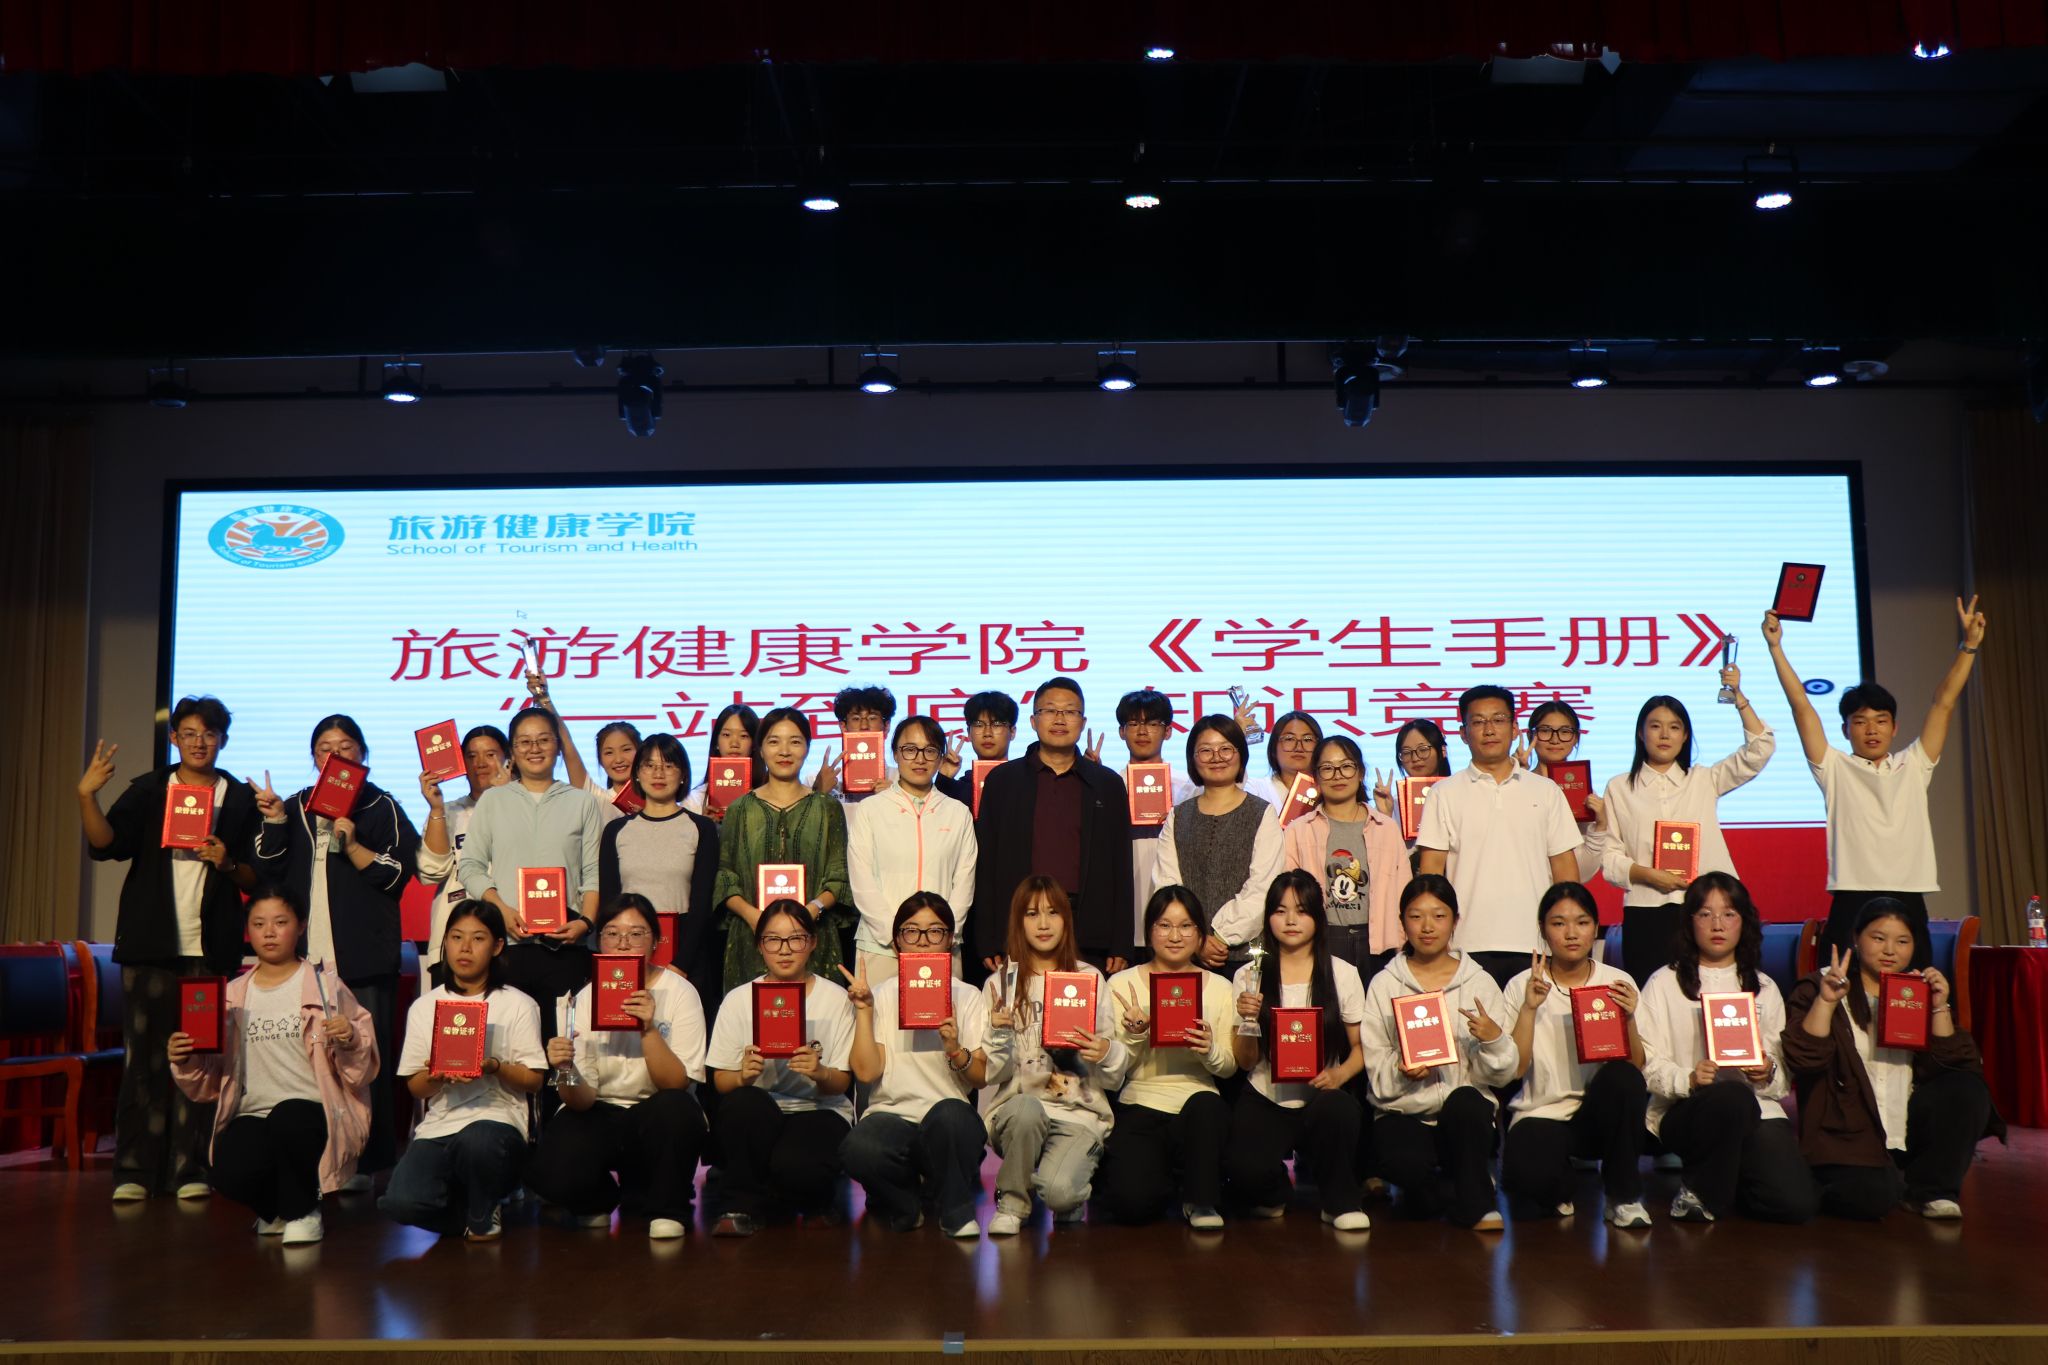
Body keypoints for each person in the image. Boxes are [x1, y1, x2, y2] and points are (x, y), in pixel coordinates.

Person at [79, 696, 261, 1203]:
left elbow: (256, 876)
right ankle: (134, 1170)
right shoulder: (150, 789)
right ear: (174, 738)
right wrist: (87, 796)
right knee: (144, 1060)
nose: (200, 742)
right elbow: (106, 844)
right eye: (190, 733)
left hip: (209, 949)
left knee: (201, 1058)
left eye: (210, 733)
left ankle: (190, 1168)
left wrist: (226, 863)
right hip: (149, 947)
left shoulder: (238, 799)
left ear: (223, 740)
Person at [1763, 598, 1986, 959]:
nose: (1871, 730)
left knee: (1913, 988)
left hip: (1908, 893)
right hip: (1852, 894)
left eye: (1881, 721)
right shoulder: (1833, 767)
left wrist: (1969, 646)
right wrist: (1776, 648)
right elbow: (1801, 705)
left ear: (1894, 728)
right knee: (1837, 983)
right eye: (1860, 721)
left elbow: (1943, 702)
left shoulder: (1914, 764)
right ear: (1845, 729)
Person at [251, 714, 419, 1181]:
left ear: (362, 754)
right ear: (313, 757)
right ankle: (316, 1159)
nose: (335, 755)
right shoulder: (294, 806)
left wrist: (354, 841)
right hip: (306, 959)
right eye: (325, 747)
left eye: (346, 747)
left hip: (364, 958)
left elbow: (397, 876)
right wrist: (276, 821)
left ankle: (372, 1161)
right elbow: (266, 868)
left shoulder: (381, 805)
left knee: (366, 1059)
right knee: (308, 1060)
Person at [168, 888, 377, 1246]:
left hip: (313, 1109)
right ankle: (278, 1209)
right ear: (247, 930)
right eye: (258, 923)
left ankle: (304, 1211)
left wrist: (350, 1037)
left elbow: (362, 1069)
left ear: (300, 926)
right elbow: (207, 1083)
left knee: (289, 1118)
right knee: (228, 1170)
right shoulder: (231, 995)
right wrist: (185, 1058)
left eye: (280, 922)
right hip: (252, 1112)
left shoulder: (326, 988)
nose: (269, 932)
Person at [1783, 899, 2002, 1220]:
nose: (1889, 950)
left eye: (1902, 941)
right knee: (1874, 1197)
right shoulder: (1821, 985)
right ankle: (1830, 1181)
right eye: (1878, 938)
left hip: (1905, 1127)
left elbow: (1956, 1064)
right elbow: (1804, 1059)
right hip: (1847, 1133)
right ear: (1856, 938)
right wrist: (1826, 1002)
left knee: (1967, 1087)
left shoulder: (1916, 990)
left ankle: (1933, 1189)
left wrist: (1938, 1006)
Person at [1637, 872, 1816, 1224]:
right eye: (1705, 914)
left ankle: (1730, 1179)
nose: (1717, 924)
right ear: (1690, 922)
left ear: (1744, 922)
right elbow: (1647, 1063)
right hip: (1686, 1110)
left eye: (1729, 914)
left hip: (1757, 1109)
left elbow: (1782, 1071)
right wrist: (1688, 1078)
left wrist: (1768, 1071)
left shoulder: (1764, 987)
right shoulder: (1663, 982)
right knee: (1731, 1097)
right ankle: (1697, 1192)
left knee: (1796, 1205)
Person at [530, 894, 709, 1239]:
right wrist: (566, 1068)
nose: (623, 943)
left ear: (656, 942)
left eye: (636, 934)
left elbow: (676, 1084)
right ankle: (597, 1199)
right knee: (550, 1172)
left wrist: (648, 1029)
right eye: (612, 933)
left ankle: (668, 1208)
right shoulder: (583, 998)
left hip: (658, 1111)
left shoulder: (680, 992)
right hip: (601, 1108)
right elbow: (581, 1100)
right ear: (599, 942)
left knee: (677, 1109)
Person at [379, 900, 546, 1240]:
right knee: (400, 1204)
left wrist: (494, 1067)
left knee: (478, 1141)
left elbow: (534, 1081)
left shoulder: (518, 1004)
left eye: (478, 938)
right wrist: (436, 1076)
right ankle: (470, 1209)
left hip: (497, 1121)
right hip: (441, 1125)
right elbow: (415, 1087)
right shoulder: (424, 1007)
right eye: (456, 937)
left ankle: (485, 1209)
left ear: (497, 946)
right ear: (445, 942)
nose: (465, 948)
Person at [1362, 874, 1518, 1230]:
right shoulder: (1385, 983)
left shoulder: (1479, 983)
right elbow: (1375, 1061)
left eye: (1439, 915)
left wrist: (1493, 1040)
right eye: (1416, 916)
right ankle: (1442, 1186)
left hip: (1463, 1118)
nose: (1427, 927)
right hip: (1404, 1112)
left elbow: (1501, 1076)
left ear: (1455, 921)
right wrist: (1400, 1070)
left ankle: (1476, 1204)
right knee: (1406, 1171)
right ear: (1402, 922)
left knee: (1467, 1103)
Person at [979, 877, 1132, 1234]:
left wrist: (1106, 1052)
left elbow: (1112, 1077)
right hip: (1019, 1112)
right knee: (1026, 1109)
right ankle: (1013, 1203)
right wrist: (998, 1035)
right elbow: (993, 1074)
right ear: (1018, 922)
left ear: (1067, 919)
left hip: (1078, 1112)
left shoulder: (1089, 978)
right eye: (1032, 914)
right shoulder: (1000, 984)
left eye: (1053, 912)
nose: (1044, 924)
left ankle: (1063, 1184)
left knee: (1061, 1194)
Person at [1599, 680, 1775, 983]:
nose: (1664, 735)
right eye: (1655, 726)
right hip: (1647, 910)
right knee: (1650, 997)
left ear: (1685, 736)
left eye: (1674, 727)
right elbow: (1610, 859)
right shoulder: (1620, 787)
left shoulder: (1704, 779)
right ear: (1641, 733)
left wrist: (1739, 699)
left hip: (1707, 909)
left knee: (1716, 991)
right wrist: (1649, 875)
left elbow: (1759, 751)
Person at [1224, 871, 1370, 1230]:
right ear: (1268, 918)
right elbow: (1245, 1060)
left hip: (1322, 1094)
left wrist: (1339, 1074)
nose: (1290, 920)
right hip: (1266, 1094)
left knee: (1339, 1110)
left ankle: (1338, 1203)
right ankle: (1276, 1193)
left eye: (1301, 911)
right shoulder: (1249, 975)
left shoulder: (1342, 973)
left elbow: (1361, 1048)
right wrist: (1248, 1019)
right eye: (1280, 910)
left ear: (1318, 917)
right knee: (1243, 1173)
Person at [1500, 882, 1651, 1228]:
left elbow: (1637, 1068)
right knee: (1527, 1184)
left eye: (1582, 922)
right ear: (1542, 930)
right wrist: (1529, 1008)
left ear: (1595, 928)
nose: (1571, 933)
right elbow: (1514, 1069)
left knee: (1624, 1078)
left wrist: (1628, 1018)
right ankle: (1560, 1183)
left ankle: (1623, 1196)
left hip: (1600, 1114)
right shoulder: (1523, 984)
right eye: (1559, 923)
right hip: (1544, 1112)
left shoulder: (1617, 982)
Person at [839, 893, 991, 1237]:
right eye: (911, 931)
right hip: (892, 1117)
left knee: (953, 1117)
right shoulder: (879, 994)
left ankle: (955, 1212)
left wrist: (955, 1049)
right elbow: (866, 1072)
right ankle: (906, 1204)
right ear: (897, 942)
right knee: (857, 1149)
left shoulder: (967, 995)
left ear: (950, 940)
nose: (923, 941)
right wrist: (864, 1011)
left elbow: (980, 1077)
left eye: (935, 931)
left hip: (947, 1119)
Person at [705, 900, 856, 1235]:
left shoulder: (836, 999)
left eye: (796, 938)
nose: (785, 950)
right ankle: (738, 1207)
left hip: (819, 1109)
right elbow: (721, 1082)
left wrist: (820, 1073)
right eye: (773, 939)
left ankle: (807, 1196)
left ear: (813, 942)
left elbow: (842, 1083)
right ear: (759, 945)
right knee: (742, 1104)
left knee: (797, 1168)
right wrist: (742, 1075)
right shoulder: (739, 999)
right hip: (760, 1110)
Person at [1415, 686, 1582, 986]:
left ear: (1515, 728)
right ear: (1463, 733)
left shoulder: (1546, 791)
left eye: (1498, 720)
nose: (1489, 730)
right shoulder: (1443, 793)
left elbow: (1565, 872)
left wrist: (1564, 933)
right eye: (1478, 722)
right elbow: (1431, 874)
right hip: (1464, 945)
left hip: (1535, 943)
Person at [971, 676, 1135, 978]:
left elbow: (1121, 867)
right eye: (1050, 710)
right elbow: (986, 864)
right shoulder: (1003, 781)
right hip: (1018, 926)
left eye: (1070, 711)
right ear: (1033, 721)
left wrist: (1121, 942)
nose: (1060, 719)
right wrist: (987, 939)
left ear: (1083, 722)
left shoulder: (1107, 784)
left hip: (1089, 930)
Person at [1096, 885, 1238, 1228]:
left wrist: (1208, 1049)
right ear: (1149, 932)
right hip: (1139, 1101)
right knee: (1131, 1204)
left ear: (1200, 934)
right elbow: (1113, 1071)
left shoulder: (1220, 987)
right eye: (1164, 925)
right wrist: (1135, 1034)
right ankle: (1168, 1180)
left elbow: (1229, 1067)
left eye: (1186, 926)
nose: (1175, 936)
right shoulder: (1121, 984)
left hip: (1198, 1103)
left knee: (1208, 1106)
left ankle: (1200, 1200)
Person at [457, 705, 604, 1005]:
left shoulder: (582, 802)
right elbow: (470, 866)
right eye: (524, 742)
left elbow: (593, 872)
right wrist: (501, 909)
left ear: (558, 747)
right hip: (508, 944)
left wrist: (586, 923)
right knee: (510, 1033)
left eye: (544, 740)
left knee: (563, 1033)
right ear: (512, 751)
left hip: (567, 946)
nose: (534, 749)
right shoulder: (493, 800)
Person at [712, 708, 852, 992]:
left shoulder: (828, 808)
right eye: (774, 741)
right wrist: (755, 917)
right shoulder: (739, 809)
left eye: (795, 741)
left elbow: (839, 877)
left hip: (813, 937)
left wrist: (810, 912)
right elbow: (725, 877)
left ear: (807, 748)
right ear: (761, 749)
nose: (784, 751)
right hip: (752, 938)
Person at [847, 715, 977, 983]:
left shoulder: (957, 812)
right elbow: (862, 881)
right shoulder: (871, 809)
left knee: (946, 1012)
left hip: (942, 946)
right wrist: (894, 935)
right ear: (895, 753)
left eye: (930, 750)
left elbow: (964, 882)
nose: (920, 759)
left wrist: (943, 933)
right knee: (877, 1011)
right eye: (910, 749)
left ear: (940, 758)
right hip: (881, 947)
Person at [1151, 715, 1284, 977]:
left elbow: (1263, 886)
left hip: (1246, 959)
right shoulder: (1178, 815)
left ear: (1240, 755)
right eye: (1205, 751)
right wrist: (1196, 938)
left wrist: (1221, 935)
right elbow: (1167, 884)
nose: (1216, 758)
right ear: (1192, 758)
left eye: (1226, 749)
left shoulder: (1263, 813)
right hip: (1185, 954)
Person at [597, 733, 721, 1012]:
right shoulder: (616, 830)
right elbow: (609, 904)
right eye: (649, 765)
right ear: (637, 774)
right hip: (628, 952)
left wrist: (680, 965)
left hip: (686, 956)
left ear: (683, 774)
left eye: (668, 765)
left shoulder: (701, 828)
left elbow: (702, 903)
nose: (658, 773)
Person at [1283, 736, 1408, 978]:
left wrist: (1404, 946)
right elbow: (1289, 896)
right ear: (1316, 777)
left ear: (1360, 773)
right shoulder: (1298, 830)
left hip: (1378, 944)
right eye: (1327, 768)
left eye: (1346, 766)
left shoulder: (1386, 827)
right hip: (1323, 940)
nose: (1337, 775)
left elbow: (1403, 891)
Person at [416, 725, 511, 967]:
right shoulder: (449, 811)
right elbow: (431, 872)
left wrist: (505, 799)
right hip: (453, 939)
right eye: (471, 756)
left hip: (509, 936)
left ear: (508, 760)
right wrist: (436, 808)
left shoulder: (524, 808)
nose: (480, 763)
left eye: (490, 754)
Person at [1116, 689, 1200, 946]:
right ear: (1121, 731)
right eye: (1134, 723)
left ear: (1168, 731)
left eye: (1152, 724)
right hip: (1124, 903)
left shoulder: (1187, 788)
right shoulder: (1110, 786)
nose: (1143, 732)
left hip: (1175, 908)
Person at [526, 667, 640, 823]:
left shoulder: (661, 797)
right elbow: (567, 744)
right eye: (608, 752)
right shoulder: (596, 799)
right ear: (600, 760)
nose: (618, 759)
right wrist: (544, 699)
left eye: (626, 749)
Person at [1520, 700, 1608, 885]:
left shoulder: (1585, 795)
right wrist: (1515, 775)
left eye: (1565, 732)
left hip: (1561, 895)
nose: (1555, 739)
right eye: (1545, 730)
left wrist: (1600, 826)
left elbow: (1583, 873)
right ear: (1530, 736)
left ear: (1576, 738)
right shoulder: (1516, 784)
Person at [934, 689, 1017, 808]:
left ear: (1012, 732)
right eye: (979, 725)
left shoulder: (1025, 782)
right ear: (969, 733)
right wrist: (944, 780)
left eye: (996, 724)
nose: (987, 733)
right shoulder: (958, 790)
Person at [813, 685, 898, 800]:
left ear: (886, 727)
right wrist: (819, 793)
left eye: (872, 718)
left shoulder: (900, 780)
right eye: (856, 719)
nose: (864, 726)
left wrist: (896, 796)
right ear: (843, 727)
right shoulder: (818, 780)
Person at [682, 703, 760, 820]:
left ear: (754, 744)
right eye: (726, 735)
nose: (734, 743)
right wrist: (705, 826)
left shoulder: (768, 797)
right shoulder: (694, 800)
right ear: (716, 743)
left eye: (743, 736)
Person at [1371, 719, 1453, 830]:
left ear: (1443, 751)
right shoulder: (1392, 804)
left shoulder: (1458, 794)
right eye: (1406, 753)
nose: (1415, 758)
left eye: (1423, 750)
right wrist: (1385, 816)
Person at [1258, 710, 1324, 808]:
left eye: (1307, 739)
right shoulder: (1257, 789)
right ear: (1274, 748)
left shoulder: (1329, 791)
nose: (1299, 748)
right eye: (1289, 739)